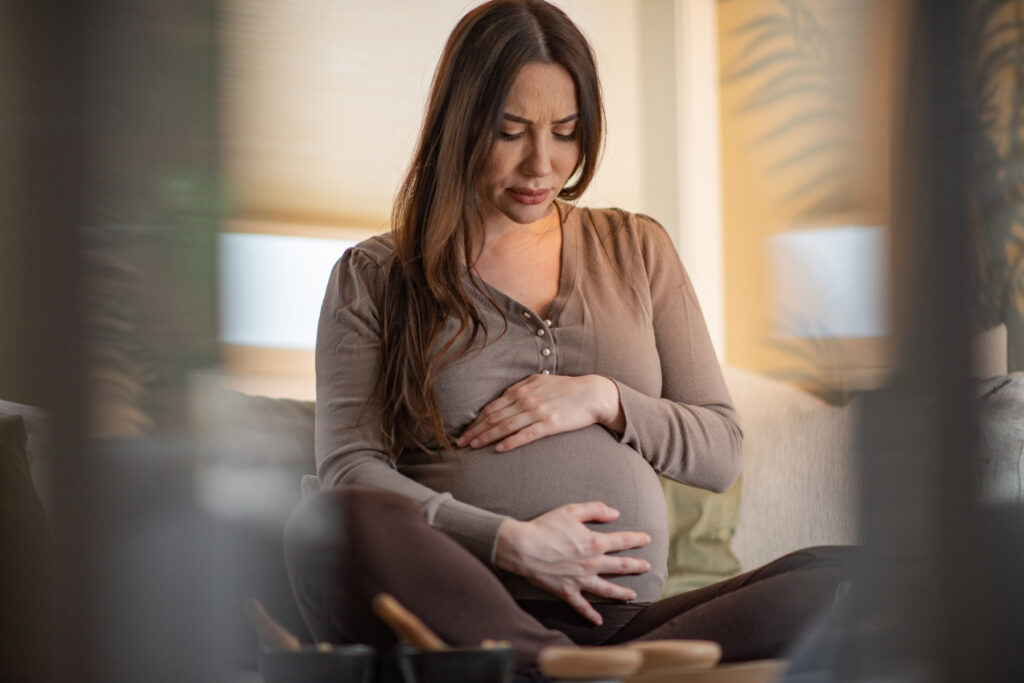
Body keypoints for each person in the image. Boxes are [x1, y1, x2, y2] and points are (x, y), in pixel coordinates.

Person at [285, 0, 849, 674]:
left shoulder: (637, 248)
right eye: (511, 131)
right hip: (459, 608)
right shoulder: (374, 274)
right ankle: (553, 662)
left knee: (855, 573)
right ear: (461, 124)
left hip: (626, 622)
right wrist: (508, 543)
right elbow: (351, 469)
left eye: (565, 131)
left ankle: (571, 668)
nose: (541, 164)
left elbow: (720, 452)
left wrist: (605, 398)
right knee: (332, 520)